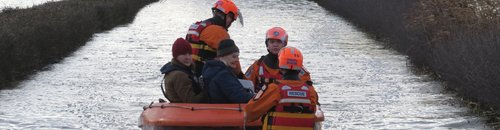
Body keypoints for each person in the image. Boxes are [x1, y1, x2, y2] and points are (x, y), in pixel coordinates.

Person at [244, 47, 319, 130]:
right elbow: (314, 110)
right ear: (300, 67)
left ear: (280, 65)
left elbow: (250, 113)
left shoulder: (274, 88)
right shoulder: (310, 90)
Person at [185, 0, 244, 77]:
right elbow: (234, 59)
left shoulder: (197, 26)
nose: (230, 24)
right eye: (231, 21)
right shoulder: (219, 32)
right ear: (228, 16)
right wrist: (241, 77)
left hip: (189, 71)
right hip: (204, 74)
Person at [245, 27, 311, 93]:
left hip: (284, 101)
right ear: (267, 44)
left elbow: (309, 88)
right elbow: (245, 83)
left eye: (279, 42)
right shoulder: (258, 65)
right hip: (263, 101)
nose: (275, 45)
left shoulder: (295, 65)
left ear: (284, 44)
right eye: (272, 42)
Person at [201, 39, 254, 103]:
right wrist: (258, 97)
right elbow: (241, 97)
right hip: (225, 111)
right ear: (222, 56)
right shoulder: (223, 75)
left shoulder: (211, 69)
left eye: (238, 56)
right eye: (234, 56)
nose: (237, 60)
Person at [160, 38, 206, 103]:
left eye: (190, 54)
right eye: (183, 54)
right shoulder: (180, 75)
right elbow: (192, 101)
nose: (187, 57)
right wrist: (207, 89)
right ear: (175, 56)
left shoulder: (180, 69)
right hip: (185, 111)